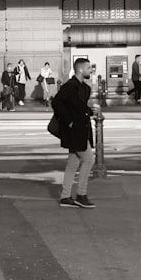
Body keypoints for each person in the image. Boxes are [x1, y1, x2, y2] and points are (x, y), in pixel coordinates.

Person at [52, 57, 97, 209]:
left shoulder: (85, 88)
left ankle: (65, 196)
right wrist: (69, 121)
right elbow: (56, 103)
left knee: (73, 162)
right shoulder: (70, 86)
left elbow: (78, 107)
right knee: (89, 160)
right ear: (80, 70)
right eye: (89, 68)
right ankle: (81, 195)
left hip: (81, 129)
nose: (91, 70)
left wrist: (91, 111)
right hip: (74, 130)